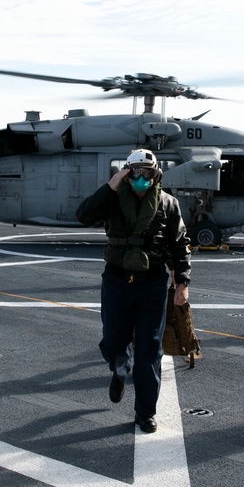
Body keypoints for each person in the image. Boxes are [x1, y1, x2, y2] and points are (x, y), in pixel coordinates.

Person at [75, 148, 191, 434]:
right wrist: (110, 185)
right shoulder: (112, 200)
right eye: (135, 172)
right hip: (116, 281)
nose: (141, 178)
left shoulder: (168, 204)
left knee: (150, 349)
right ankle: (119, 367)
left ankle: (145, 412)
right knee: (113, 341)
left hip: (151, 283)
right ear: (126, 174)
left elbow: (180, 243)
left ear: (155, 174)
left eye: (147, 173)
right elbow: (84, 215)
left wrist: (183, 283)